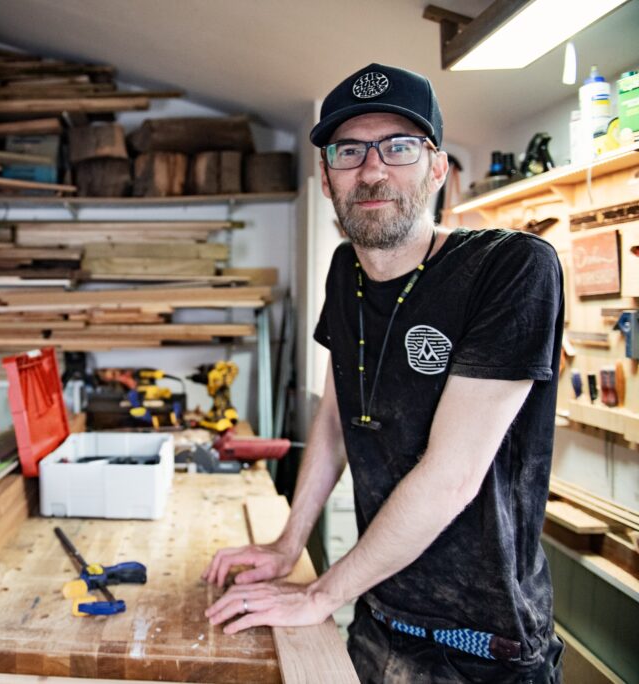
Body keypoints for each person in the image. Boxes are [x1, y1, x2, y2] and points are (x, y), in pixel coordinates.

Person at [202, 63, 565, 683]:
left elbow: (452, 479)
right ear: (325, 177)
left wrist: (319, 594)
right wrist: (291, 542)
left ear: (437, 169)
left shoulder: (512, 269)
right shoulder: (346, 272)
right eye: (349, 151)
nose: (372, 170)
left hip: (484, 648)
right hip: (377, 620)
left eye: (399, 146)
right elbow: (337, 415)